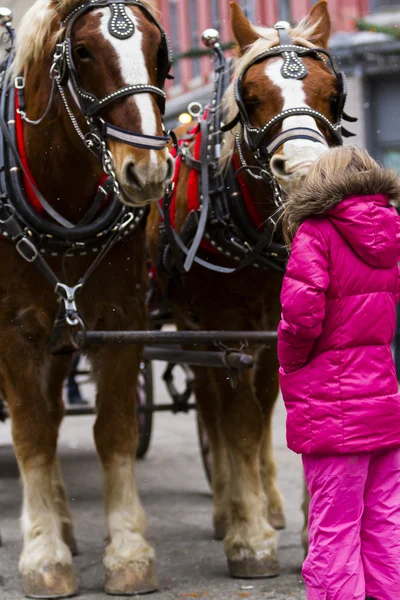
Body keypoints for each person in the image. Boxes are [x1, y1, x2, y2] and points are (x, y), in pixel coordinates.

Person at [277, 146, 400, 600]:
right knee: (385, 520)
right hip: (382, 398)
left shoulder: (317, 232)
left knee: (334, 526)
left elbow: (302, 316)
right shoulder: (392, 229)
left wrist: (290, 360)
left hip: (332, 405)